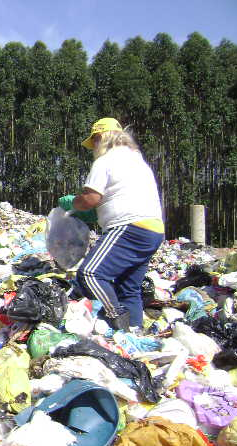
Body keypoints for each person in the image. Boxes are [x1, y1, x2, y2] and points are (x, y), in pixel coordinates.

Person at [58, 118, 164, 331]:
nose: (94, 148)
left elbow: (90, 199)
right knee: (128, 288)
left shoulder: (105, 161)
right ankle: (134, 334)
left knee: (89, 273)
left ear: (100, 138)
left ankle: (117, 317)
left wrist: (73, 204)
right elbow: (118, 198)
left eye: (94, 142)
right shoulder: (137, 161)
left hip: (129, 227)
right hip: (153, 230)